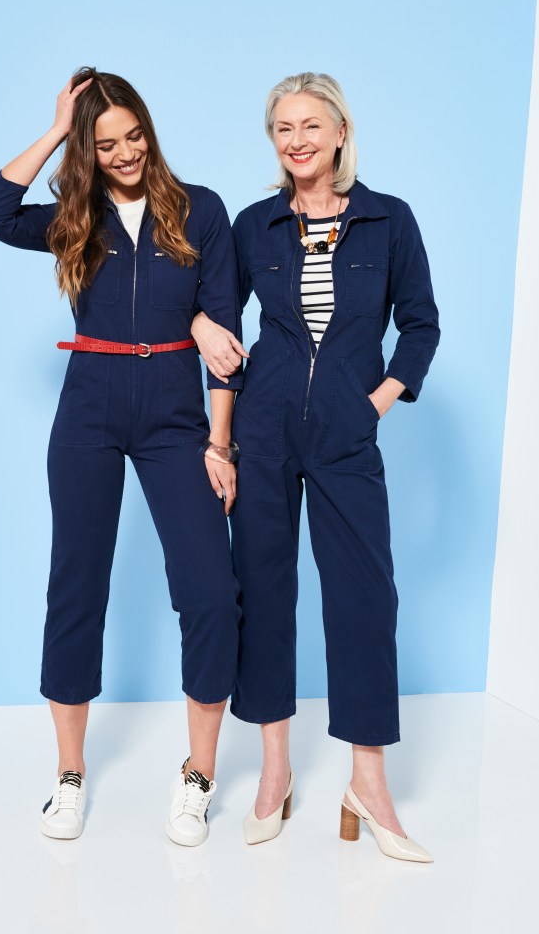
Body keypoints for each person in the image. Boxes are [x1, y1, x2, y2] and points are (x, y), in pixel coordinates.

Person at [0, 68, 244, 847]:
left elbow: (223, 334)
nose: (125, 153)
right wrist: (59, 128)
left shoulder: (201, 210)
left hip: (174, 415)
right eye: (105, 142)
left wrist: (219, 444)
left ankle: (197, 776)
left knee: (209, 588)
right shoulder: (73, 214)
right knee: (76, 582)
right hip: (89, 405)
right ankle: (68, 778)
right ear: (88, 150)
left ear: (150, 132)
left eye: (134, 135)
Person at [192, 72, 440, 861]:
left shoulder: (388, 220)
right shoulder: (255, 224)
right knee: (263, 591)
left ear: (339, 131)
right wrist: (219, 436)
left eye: (310, 125)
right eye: (282, 128)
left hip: (345, 432)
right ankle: (275, 772)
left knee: (365, 598)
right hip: (264, 427)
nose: (296, 140)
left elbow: (422, 326)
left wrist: (375, 403)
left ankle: (369, 785)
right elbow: (222, 328)